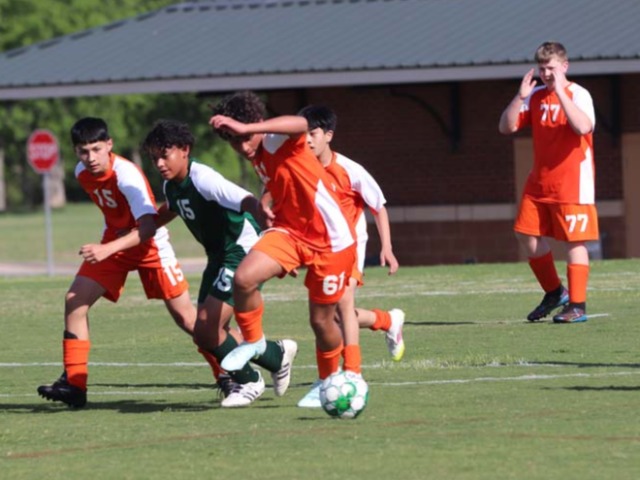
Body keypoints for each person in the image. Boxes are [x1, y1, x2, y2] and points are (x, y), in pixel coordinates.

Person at [37, 117, 218, 408]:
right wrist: (111, 245)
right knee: (75, 301)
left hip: (150, 246)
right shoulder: (81, 172)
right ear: (75, 152)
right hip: (116, 243)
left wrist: (107, 249)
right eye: (83, 151)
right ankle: (74, 384)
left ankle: (229, 372)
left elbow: (147, 228)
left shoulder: (127, 176)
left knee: (187, 318)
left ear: (109, 145)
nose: (90, 157)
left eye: (97, 149)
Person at [209, 91, 360, 399]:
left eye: (243, 138)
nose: (241, 146)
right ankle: (254, 341)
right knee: (243, 278)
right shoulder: (258, 154)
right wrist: (267, 202)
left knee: (321, 321)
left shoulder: (272, 139)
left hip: (331, 242)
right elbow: (284, 180)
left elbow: (301, 123)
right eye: (233, 141)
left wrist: (248, 128)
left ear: (256, 124)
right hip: (291, 233)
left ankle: (329, 380)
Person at [141, 119, 297, 408]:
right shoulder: (171, 185)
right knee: (204, 333)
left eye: (164, 155)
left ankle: (249, 381)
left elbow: (247, 201)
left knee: (207, 325)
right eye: (154, 158)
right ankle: (275, 355)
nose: (159, 163)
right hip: (218, 255)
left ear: (184, 150)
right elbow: (172, 208)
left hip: (241, 249)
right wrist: (138, 228)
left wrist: (274, 244)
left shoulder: (203, 178)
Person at [294, 105, 405, 408]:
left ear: (328, 136)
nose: (307, 140)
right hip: (321, 248)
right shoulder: (300, 167)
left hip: (350, 246)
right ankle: (387, 320)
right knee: (332, 315)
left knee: (342, 304)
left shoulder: (349, 170)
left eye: (313, 133)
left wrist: (387, 247)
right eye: (302, 134)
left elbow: (378, 206)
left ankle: (352, 374)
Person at [498, 42, 598, 323]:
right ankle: (555, 292)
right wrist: (520, 97)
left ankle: (577, 305)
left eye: (551, 68)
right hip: (539, 183)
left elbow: (583, 126)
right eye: (542, 68)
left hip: (573, 183)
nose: (546, 73)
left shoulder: (579, 94)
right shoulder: (535, 96)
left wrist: (561, 93)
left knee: (574, 242)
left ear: (564, 66)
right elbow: (506, 127)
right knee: (525, 235)